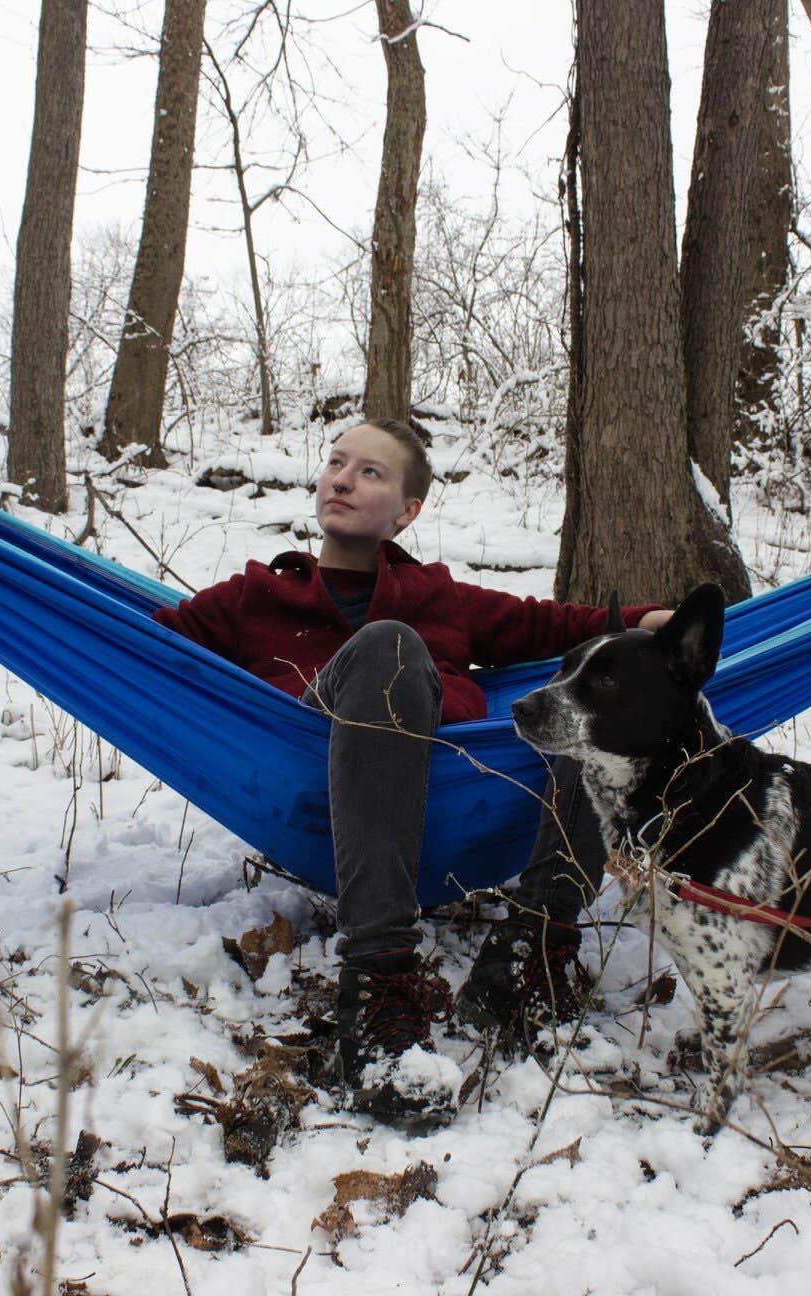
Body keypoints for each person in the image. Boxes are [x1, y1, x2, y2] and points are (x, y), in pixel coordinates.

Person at [153, 418, 670, 1123]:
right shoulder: (254, 598)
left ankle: (532, 951)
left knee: (596, 699)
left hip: (453, 795)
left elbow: (547, 625)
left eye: (370, 471)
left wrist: (647, 623)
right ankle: (378, 983)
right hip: (310, 786)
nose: (341, 477)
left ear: (408, 510)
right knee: (387, 647)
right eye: (335, 462)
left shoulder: (438, 596)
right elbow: (143, 647)